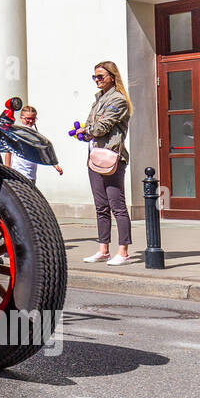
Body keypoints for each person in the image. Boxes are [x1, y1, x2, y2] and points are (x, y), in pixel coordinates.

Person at [82, 61, 133, 265]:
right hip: (95, 156)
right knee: (101, 206)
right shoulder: (99, 99)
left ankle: (123, 251)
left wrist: (86, 130)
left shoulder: (118, 100)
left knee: (117, 205)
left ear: (112, 76)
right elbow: (91, 124)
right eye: (94, 77)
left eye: (101, 76)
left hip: (112, 157)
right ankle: (103, 249)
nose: (97, 80)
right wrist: (86, 131)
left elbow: (101, 127)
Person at [10, 106, 64, 181]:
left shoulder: (35, 134)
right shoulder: (16, 132)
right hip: (18, 172)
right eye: (28, 118)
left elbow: (43, 150)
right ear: (21, 118)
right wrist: (8, 169)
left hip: (31, 174)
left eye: (33, 119)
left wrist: (54, 164)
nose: (31, 121)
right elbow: (8, 151)